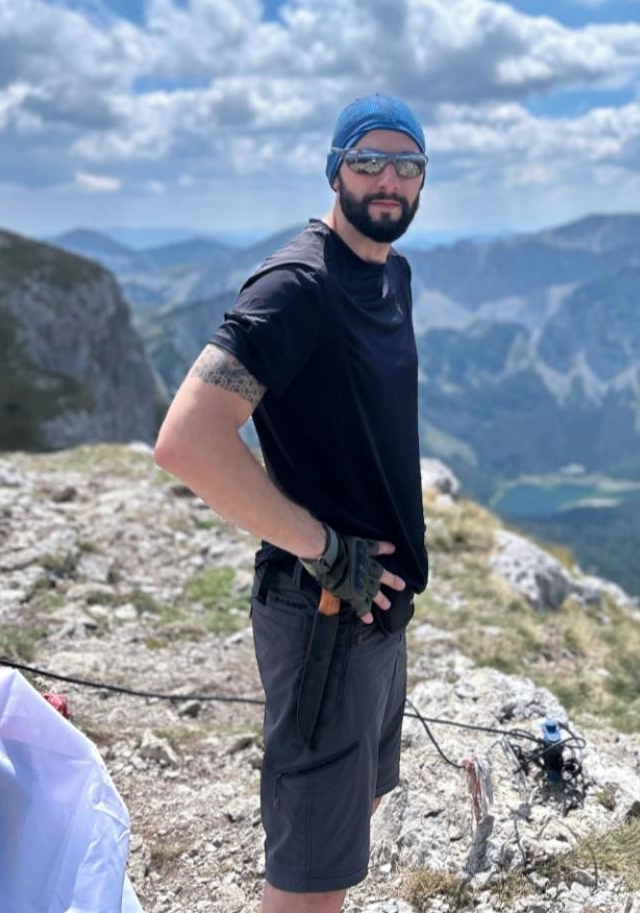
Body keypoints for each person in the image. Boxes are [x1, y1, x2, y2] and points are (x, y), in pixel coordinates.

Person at [153, 93, 430, 913]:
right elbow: (187, 440)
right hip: (322, 616)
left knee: (351, 816)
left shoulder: (390, 273)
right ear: (334, 171)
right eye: (368, 161)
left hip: (374, 608)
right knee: (309, 878)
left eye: (406, 165)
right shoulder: (296, 287)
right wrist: (322, 546)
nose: (388, 180)